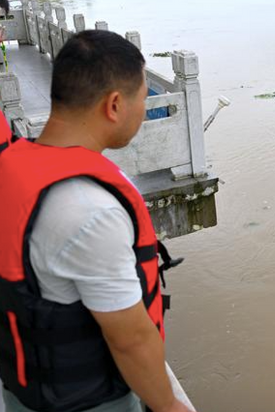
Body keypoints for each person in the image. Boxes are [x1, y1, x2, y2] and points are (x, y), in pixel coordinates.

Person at [0, 30, 192, 412]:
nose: (143, 107)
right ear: (115, 105)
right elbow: (130, 340)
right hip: (87, 400)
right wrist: (169, 405)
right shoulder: (91, 212)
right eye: (143, 97)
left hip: (22, 389)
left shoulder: (12, 165)